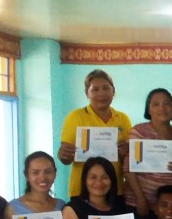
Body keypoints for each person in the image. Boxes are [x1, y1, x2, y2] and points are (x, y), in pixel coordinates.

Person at [57, 69, 132, 199]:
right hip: (82, 190)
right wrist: (63, 154)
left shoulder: (123, 119)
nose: (101, 93)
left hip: (115, 189)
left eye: (106, 88)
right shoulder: (75, 117)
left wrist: (126, 151)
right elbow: (66, 158)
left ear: (113, 91)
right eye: (95, 89)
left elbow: (129, 156)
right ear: (87, 93)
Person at [123, 88, 172, 219]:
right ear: (148, 109)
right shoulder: (139, 131)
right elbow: (127, 169)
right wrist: (141, 199)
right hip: (140, 205)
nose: (162, 108)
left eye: (167, 103)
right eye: (156, 104)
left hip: (169, 208)